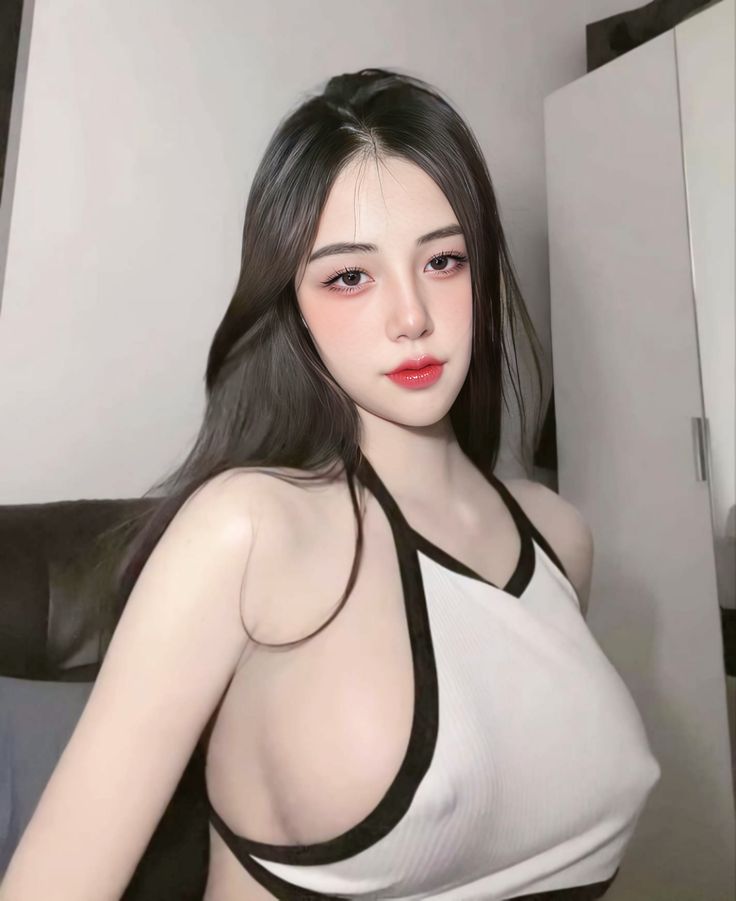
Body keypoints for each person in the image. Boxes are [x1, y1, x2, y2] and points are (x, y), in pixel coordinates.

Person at [0, 68, 661, 900]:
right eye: (350, 276)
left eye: (444, 260)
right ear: (293, 302)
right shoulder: (246, 532)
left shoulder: (559, 537)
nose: (412, 316)